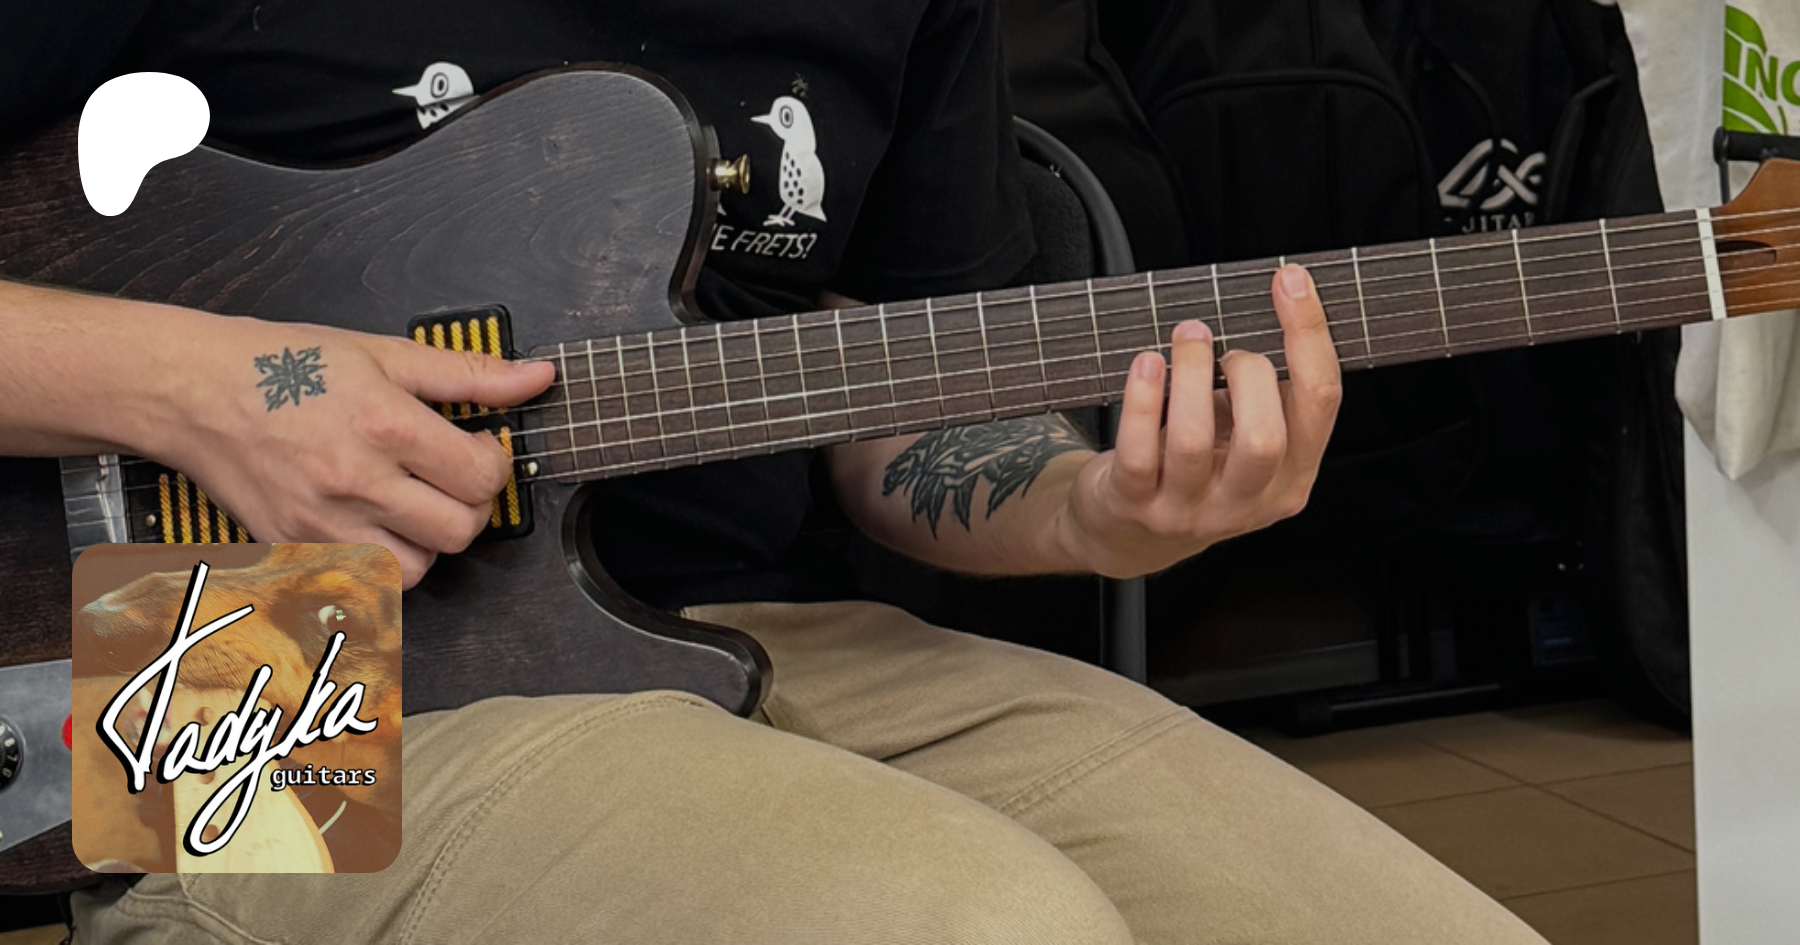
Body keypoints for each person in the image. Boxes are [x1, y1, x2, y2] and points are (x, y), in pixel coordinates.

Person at [0, 0, 1551, 942]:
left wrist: (1099, 511)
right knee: (990, 925)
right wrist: (213, 390)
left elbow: (902, 403)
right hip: (249, 672)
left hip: (742, 634)